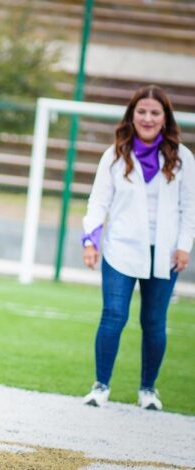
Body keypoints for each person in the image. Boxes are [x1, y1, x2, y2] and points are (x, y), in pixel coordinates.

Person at [81, 85, 195, 410]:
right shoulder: (115, 154)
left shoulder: (183, 158)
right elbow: (98, 201)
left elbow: (191, 208)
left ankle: (148, 390)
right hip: (121, 249)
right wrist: (91, 240)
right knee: (113, 316)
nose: (147, 118)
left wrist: (184, 246)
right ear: (131, 115)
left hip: (164, 253)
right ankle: (100, 385)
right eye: (141, 111)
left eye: (154, 112)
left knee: (154, 321)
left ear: (165, 118)